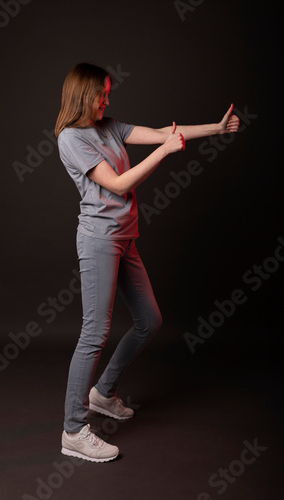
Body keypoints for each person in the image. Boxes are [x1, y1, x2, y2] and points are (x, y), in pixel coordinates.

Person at [55, 62, 240, 463]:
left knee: (150, 320)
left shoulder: (109, 126)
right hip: (99, 241)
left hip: (125, 239)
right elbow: (119, 183)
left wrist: (216, 129)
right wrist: (163, 151)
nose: (107, 99)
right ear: (83, 95)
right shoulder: (71, 138)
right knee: (94, 332)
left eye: (108, 93)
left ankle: (103, 394)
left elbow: (163, 133)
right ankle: (73, 429)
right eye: (102, 93)